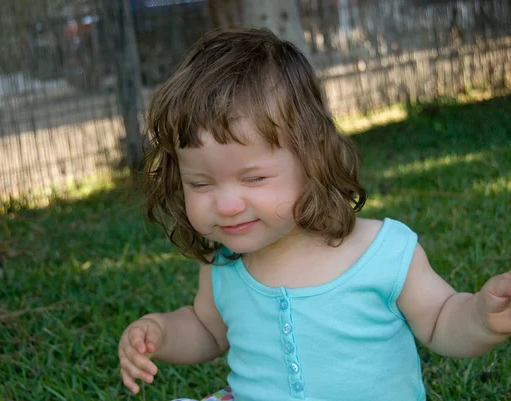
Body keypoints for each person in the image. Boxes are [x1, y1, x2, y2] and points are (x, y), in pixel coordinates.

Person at [118, 28, 511, 401]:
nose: (226, 204)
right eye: (200, 184)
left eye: (253, 178)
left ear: (313, 158)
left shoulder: (384, 253)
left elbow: (442, 320)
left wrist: (479, 317)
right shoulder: (224, 265)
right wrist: (161, 332)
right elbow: (207, 330)